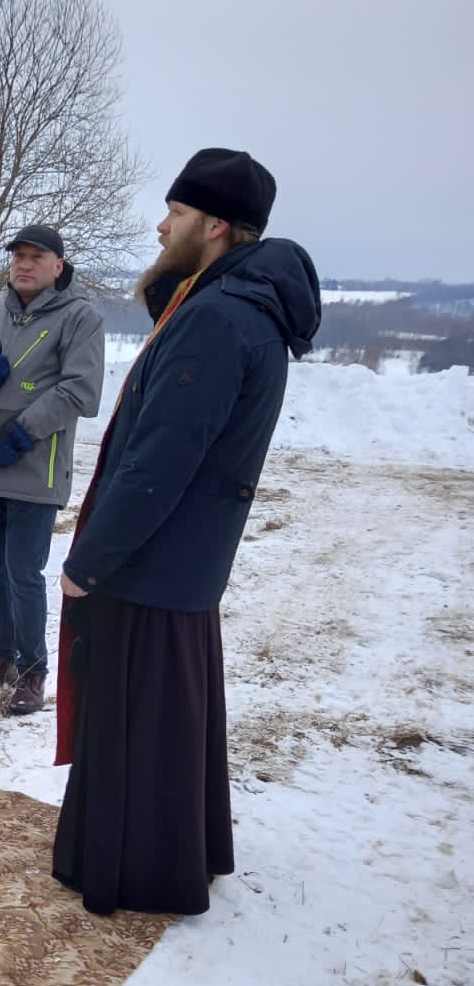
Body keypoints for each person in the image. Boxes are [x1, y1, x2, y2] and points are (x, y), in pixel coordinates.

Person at [53, 148, 321, 915]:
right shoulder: (233, 309)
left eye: (175, 212)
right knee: (163, 724)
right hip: (181, 564)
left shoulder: (217, 319)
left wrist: (91, 560)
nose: (161, 223)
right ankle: (170, 851)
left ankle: (139, 870)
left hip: (153, 564)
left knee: (141, 722)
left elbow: (160, 463)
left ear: (214, 227)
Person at [0, 224, 105, 715]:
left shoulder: (80, 318)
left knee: (23, 572)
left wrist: (21, 433)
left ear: (57, 266)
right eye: (18, 256)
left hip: (34, 467)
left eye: (35, 257)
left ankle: (32, 670)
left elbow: (80, 391)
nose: (24, 264)